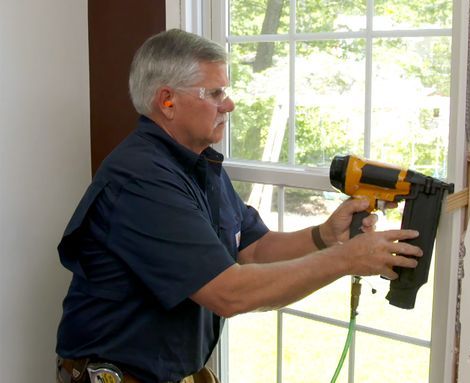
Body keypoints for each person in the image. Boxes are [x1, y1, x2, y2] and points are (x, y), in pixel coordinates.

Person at [55, 29, 422, 383]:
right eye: (214, 93)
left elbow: (254, 248)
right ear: (167, 101)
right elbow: (229, 293)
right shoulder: (142, 180)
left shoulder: (198, 165)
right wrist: (348, 259)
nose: (228, 104)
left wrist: (325, 235)